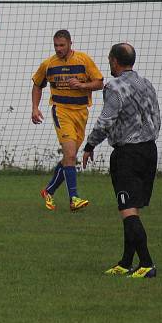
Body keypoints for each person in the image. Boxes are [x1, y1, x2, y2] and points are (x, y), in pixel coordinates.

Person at [82, 43, 160, 278]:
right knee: (131, 207)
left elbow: (106, 120)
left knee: (127, 209)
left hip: (128, 154)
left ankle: (146, 264)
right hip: (149, 151)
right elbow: (155, 115)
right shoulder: (146, 84)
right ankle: (126, 262)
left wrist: (90, 144)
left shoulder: (114, 87)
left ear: (114, 61)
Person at [31, 30, 103, 212]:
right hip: (61, 111)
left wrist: (82, 85)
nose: (58, 49)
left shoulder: (83, 60)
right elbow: (37, 85)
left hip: (81, 113)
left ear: (71, 43)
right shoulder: (48, 64)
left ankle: (48, 191)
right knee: (70, 155)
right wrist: (35, 107)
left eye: (62, 45)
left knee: (68, 158)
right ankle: (74, 198)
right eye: (56, 45)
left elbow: (99, 83)